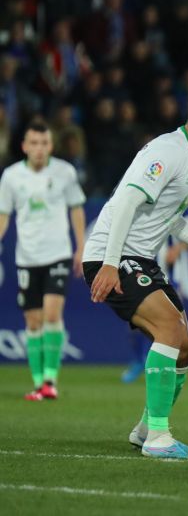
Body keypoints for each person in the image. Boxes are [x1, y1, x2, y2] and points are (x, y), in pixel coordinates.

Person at [82, 78, 188, 459]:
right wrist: (108, 263)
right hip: (115, 254)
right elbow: (125, 203)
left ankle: (144, 429)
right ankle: (158, 437)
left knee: (185, 348)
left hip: (140, 259)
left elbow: (168, 218)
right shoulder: (166, 151)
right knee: (169, 330)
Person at [0, 120, 86, 401]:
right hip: (27, 257)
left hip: (57, 254)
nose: (39, 149)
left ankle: (50, 380)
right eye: (34, 143)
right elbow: (4, 215)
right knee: (33, 321)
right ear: (24, 146)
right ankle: (38, 383)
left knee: (51, 314)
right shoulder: (11, 177)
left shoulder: (65, 172)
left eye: (44, 143)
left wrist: (81, 247)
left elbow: (76, 208)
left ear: (51, 145)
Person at [121, 203, 188, 383]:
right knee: (136, 321)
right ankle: (139, 361)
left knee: (173, 321)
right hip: (141, 268)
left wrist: (179, 248)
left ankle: (165, 365)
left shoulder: (179, 194)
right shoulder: (143, 195)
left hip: (169, 273)